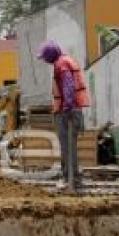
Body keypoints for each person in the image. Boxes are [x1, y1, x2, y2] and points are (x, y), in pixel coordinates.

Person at [37, 40, 90, 191]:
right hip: (71, 109)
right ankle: (72, 178)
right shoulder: (65, 61)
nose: (45, 60)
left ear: (50, 55)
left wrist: (67, 106)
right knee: (69, 147)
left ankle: (70, 179)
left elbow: (68, 85)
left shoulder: (61, 64)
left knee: (67, 147)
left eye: (45, 57)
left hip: (68, 111)